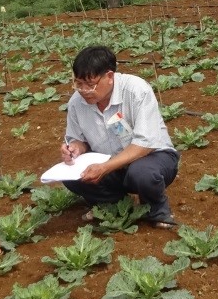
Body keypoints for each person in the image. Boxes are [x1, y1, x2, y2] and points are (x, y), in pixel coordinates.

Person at [59, 44, 180, 228]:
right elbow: (78, 139)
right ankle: (114, 203)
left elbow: (145, 144)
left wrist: (105, 167)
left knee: (142, 173)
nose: (83, 90)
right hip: (109, 162)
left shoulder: (136, 91)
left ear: (109, 76)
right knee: (70, 174)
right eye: (78, 83)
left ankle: (157, 208)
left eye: (90, 85)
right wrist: (75, 148)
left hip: (152, 157)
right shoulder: (77, 103)